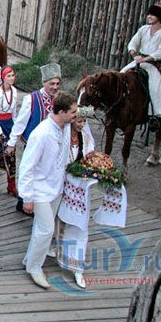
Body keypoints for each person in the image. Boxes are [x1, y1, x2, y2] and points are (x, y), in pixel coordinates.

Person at [18, 92, 77, 289]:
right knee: (46, 230)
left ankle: (29, 259)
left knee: (41, 228)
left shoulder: (66, 127)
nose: (75, 115)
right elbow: (26, 166)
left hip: (56, 186)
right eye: (72, 112)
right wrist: (27, 197)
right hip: (39, 189)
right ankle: (35, 268)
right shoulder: (41, 133)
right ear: (61, 112)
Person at [6, 63, 62, 215]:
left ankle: (42, 202)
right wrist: (11, 143)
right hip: (33, 144)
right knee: (29, 171)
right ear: (44, 82)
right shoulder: (32, 99)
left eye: (57, 84)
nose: (55, 87)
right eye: (52, 84)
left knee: (46, 173)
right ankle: (23, 201)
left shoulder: (60, 100)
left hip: (53, 145)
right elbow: (21, 122)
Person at [57, 109, 96, 289]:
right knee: (58, 221)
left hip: (80, 189)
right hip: (62, 186)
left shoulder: (86, 140)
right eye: (79, 121)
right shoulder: (62, 137)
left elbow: (91, 159)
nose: (82, 125)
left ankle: (77, 266)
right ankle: (54, 250)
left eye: (84, 122)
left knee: (80, 225)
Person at [120, 4, 161, 130]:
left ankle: (155, 116)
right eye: (149, 14)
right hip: (138, 61)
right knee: (121, 75)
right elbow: (133, 43)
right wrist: (134, 54)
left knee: (155, 88)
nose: (149, 16)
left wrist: (145, 59)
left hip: (153, 65)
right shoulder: (144, 29)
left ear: (159, 17)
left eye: (152, 15)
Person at [0, 66, 19, 196]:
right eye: (9, 76)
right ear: (3, 78)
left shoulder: (14, 91)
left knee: (11, 154)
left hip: (9, 124)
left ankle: (11, 185)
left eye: (13, 75)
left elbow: (14, 112)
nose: (11, 78)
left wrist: (15, 127)